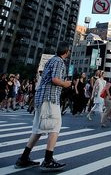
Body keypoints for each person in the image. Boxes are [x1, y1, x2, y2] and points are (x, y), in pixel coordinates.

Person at [14, 42, 72, 170]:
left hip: (42, 98)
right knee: (55, 126)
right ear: (66, 51)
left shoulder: (52, 60)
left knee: (38, 129)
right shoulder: (59, 61)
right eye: (69, 51)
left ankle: (23, 158)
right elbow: (55, 79)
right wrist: (65, 84)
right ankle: (48, 160)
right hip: (49, 98)